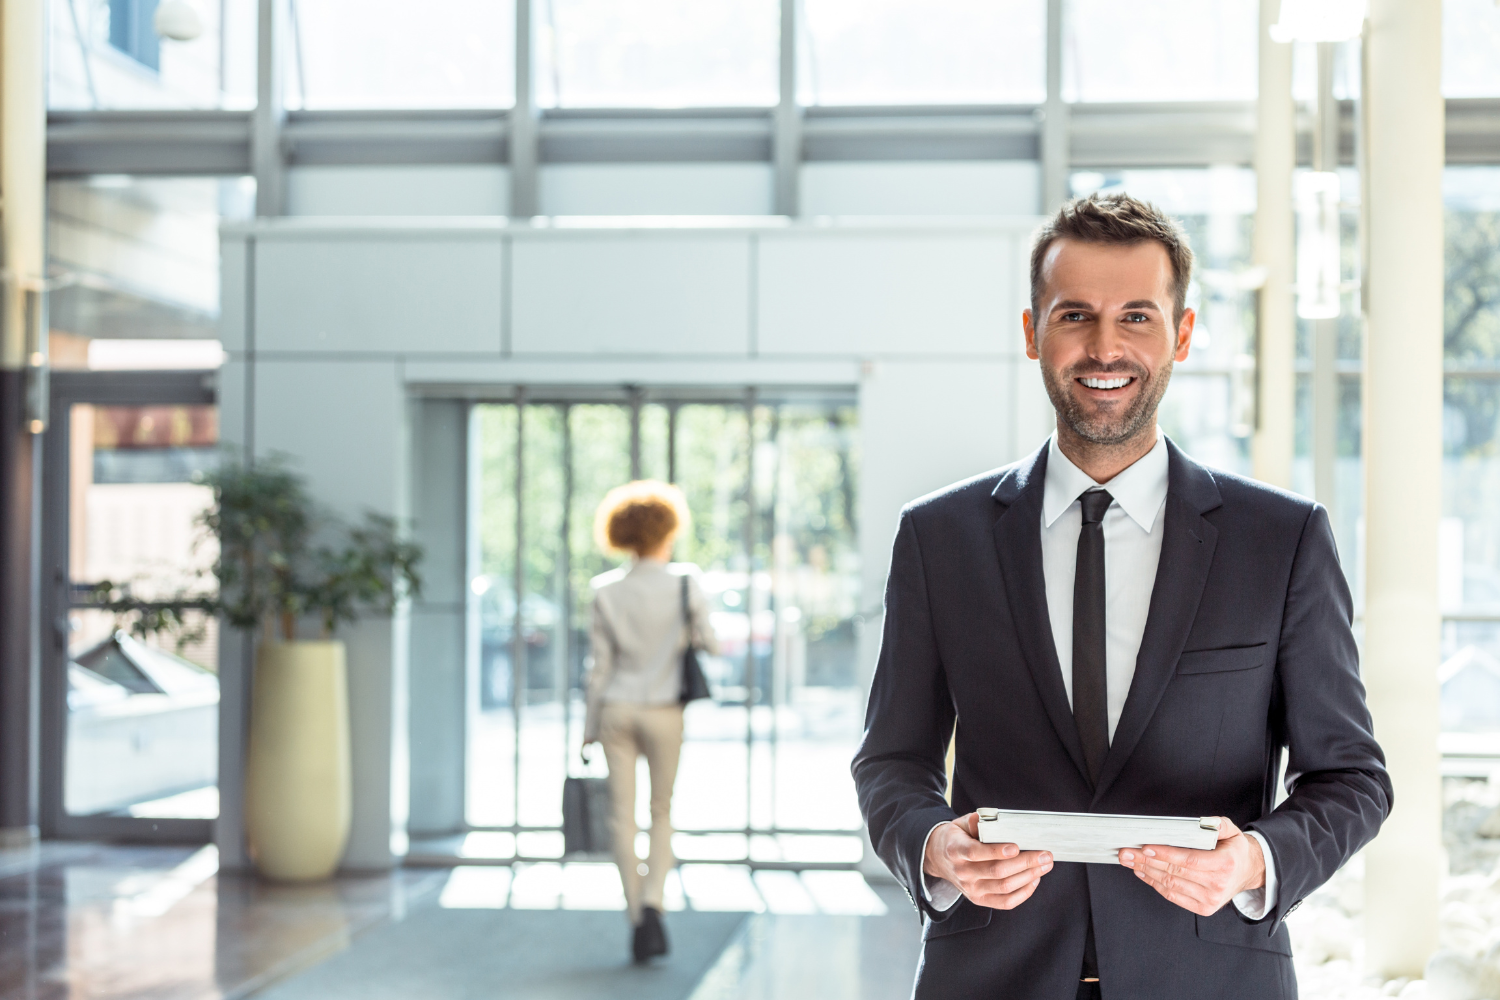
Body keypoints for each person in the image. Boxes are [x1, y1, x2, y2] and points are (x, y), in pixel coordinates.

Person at [852, 192, 1392, 999]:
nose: (1105, 347)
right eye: (1075, 315)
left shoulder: (1280, 540)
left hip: (1209, 976)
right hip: (992, 973)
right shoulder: (940, 538)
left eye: (1137, 316)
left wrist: (1256, 860)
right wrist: (932, 845)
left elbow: (1352, 777)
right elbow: (892, 759)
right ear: (1033, 332)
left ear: (1181, 333)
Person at [583, 479, 718, 964]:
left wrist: (587, 728)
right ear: (667, 529)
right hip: (664, 710)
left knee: (623, 816)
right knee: (662, 809)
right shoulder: (685, 582)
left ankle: (635, 915)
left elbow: (597, 669)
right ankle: (656, 901)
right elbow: (713, 643)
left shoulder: (606, 590)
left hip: (617, 709)